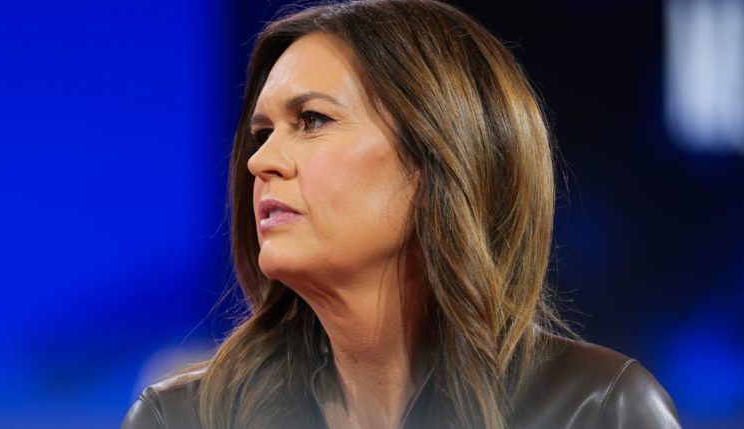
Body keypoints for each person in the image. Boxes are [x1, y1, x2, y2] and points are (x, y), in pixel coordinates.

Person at [122, 0, 680, 428]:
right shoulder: (185, 419)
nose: (261, 161)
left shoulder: (595, 410)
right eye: (262, 133)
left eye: (312, 120)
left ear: (441, 158)